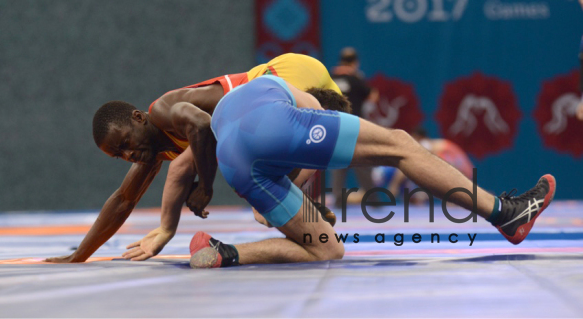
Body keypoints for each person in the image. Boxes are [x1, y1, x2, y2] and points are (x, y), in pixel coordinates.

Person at [189, 75, 556, 268]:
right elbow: (307, 148)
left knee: (325, 249)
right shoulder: (301, 95)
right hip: (268, 128)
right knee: (399, 145)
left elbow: (268, 201)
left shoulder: (248, 90)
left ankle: (227, 253)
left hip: (232, 164)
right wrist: (308, 196)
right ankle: (505, 214)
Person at [45, 54, 343, 264]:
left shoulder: (163, 110)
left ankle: (301, 198)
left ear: (139, 118)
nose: (128, 155)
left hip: (283, 77)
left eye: (125, 144)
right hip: (279, 97)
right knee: (292, 218)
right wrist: (79, 255)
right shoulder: (155, 151)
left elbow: (201, 126)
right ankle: (305, 204)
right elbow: (124, 199)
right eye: (119, 155)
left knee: (263, 197)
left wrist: (205, 187)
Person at [329, 47, 379, 207]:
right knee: (363, 162)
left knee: (338, 164)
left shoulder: (331, 78)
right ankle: (373, 199)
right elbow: (372, 97)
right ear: (355, 62)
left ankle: (338, 200)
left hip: (336, 126)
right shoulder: (356, 79)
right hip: (354, 126)